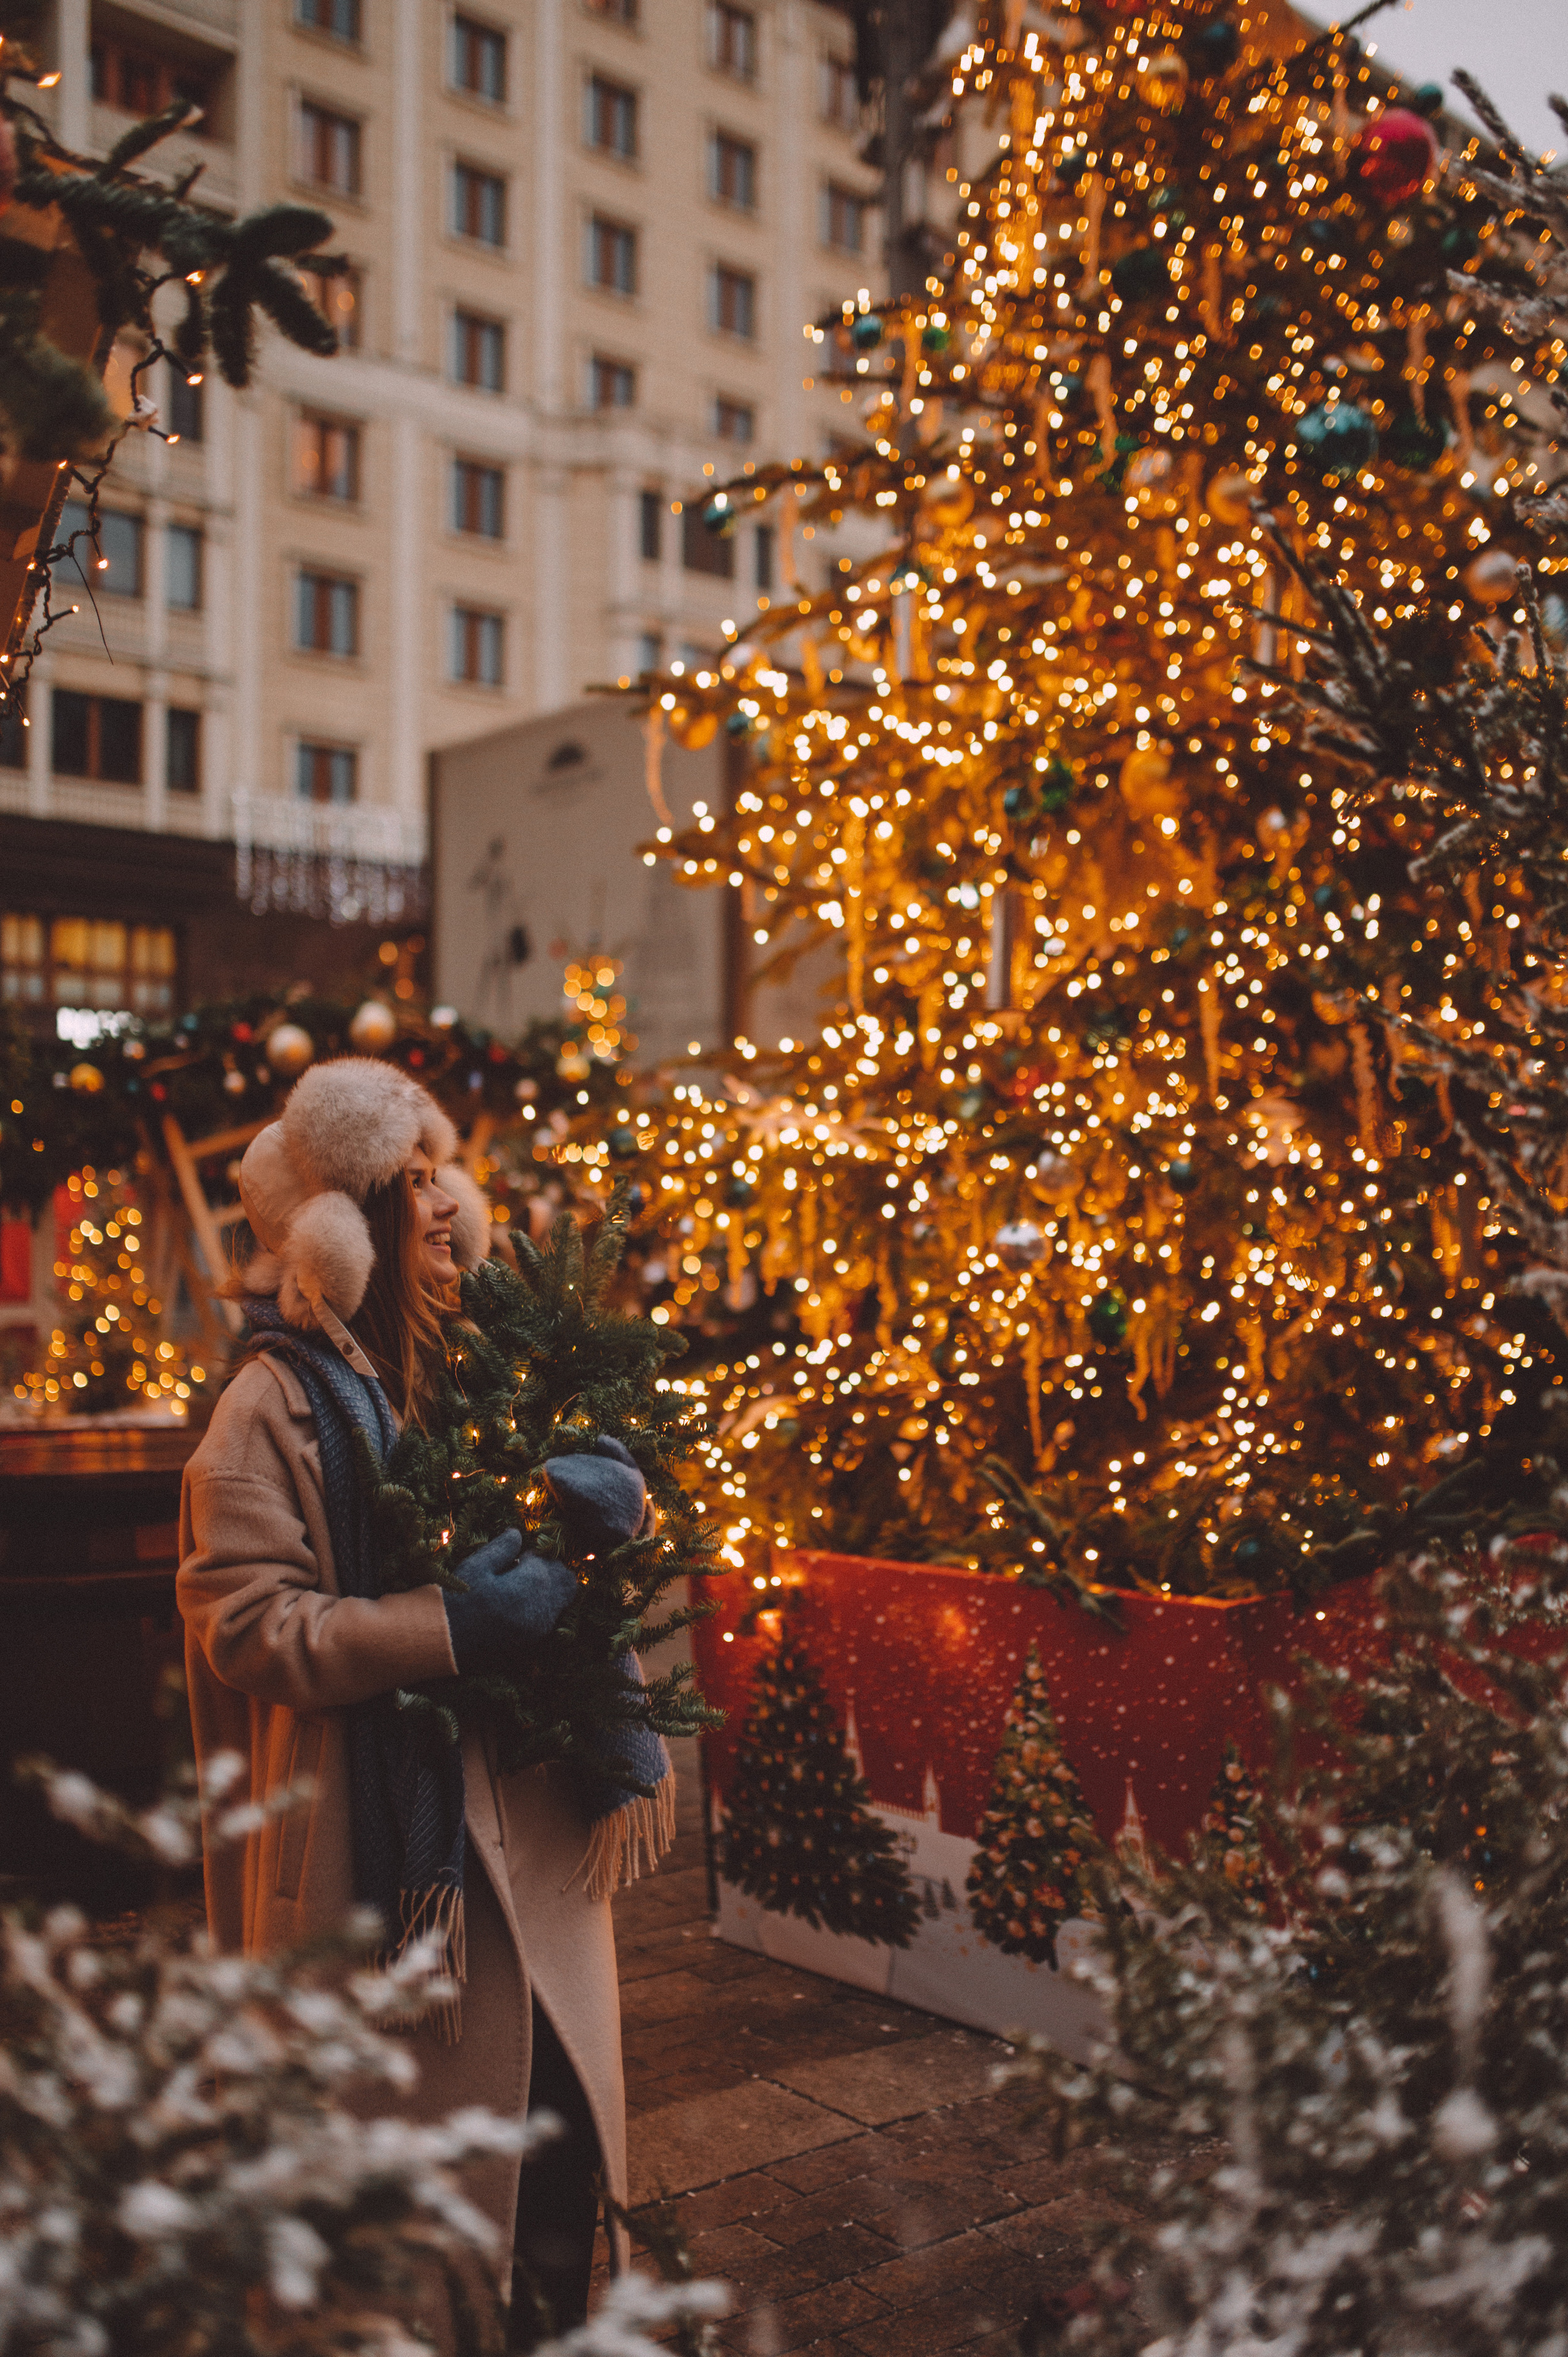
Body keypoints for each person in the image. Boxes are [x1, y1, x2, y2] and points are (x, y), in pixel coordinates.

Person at [176, 1057, 657, 2345]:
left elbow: (588, 1558)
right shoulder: (268, 1413)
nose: (446, 1204)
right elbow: (248, 1624)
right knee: (424, 2230)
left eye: (445, 1171)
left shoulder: (487, 1377)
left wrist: (614, 1496)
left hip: (536, 1865)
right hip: (391, 1884)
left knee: (554, 2175)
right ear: (347, 1228)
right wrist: (446, 1624)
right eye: (409, 1181)